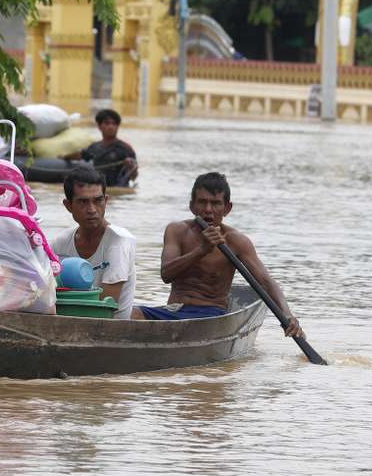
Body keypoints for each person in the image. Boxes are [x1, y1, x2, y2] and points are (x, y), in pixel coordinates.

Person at [133, 172, 305, 338]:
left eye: (215, 203)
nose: (208, 210)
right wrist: (201, 250)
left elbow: (266, 282)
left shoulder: (235, 241)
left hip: (210, 316)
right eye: (202, 202)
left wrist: (288, 315)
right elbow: (166, 274)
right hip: (173, 311)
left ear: (227, 208)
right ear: (192, 206)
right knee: (131, 313)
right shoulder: (177, 231)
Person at [50, 167, 136, 319]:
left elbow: (105, 307)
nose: (92, 210)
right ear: (68, 206)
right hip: (69, 323)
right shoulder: (60, 243)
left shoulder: (119, 241)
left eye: (98, 201)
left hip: (110, 328)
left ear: (106, 201)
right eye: (83, 202)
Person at [61, 109, 138, 187]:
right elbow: (80, 155)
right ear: (99, 126)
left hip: (117, 189)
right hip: (98, 188)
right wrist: (64, 157)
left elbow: (134, 177)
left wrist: (130, 167)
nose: (111, 127)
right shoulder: (94, 147)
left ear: (118, 126)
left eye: (114, 124)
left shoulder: (126, 149)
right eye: (107, 123)